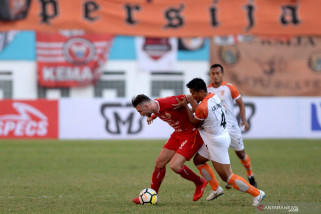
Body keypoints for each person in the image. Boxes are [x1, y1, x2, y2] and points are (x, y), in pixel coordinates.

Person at [174, 78, 265, 206]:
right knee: (198, 161)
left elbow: (195, 124)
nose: (193, 96)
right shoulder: (213, 97)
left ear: (201, 92)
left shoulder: (202, 107)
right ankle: (216, 189)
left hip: (216, 143)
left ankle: (257, 193)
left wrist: (185, 106)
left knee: (227, 176)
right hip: (220, 136)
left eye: (194, 93)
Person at [131, 94, 208, 204]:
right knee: (159, 162)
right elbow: (157, 112)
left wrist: (193, 109)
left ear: (147, 106)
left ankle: (200, 182)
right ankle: (153, 196)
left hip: (192, 134)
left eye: (140, 111)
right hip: (178, 134)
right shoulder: (154, 106)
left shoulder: (168, 102)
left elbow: (190, 97)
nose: (140, 114)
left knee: (175, 165)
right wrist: (152, 117)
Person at [207, 64, 257, 189]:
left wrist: (244, 120)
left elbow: (240, 103)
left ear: (222, 74)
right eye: (213, 73)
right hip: (218, 128)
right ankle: (229, 177)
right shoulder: (207, 90)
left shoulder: (229, 88)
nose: (215, 75)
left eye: (218, 73)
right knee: (221, 153)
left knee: (240, 154)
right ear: (210, 75)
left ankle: (250, 175)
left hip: (232, 127)